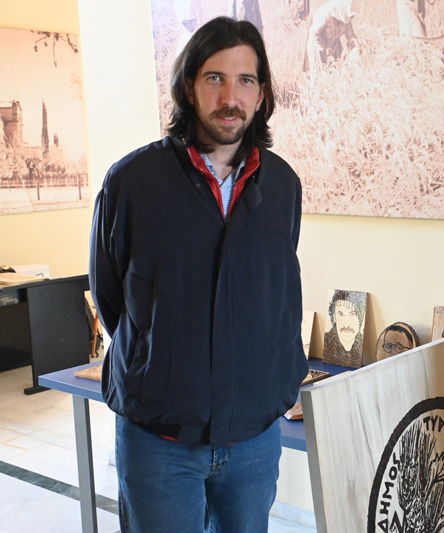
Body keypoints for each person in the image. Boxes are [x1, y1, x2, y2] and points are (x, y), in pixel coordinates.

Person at [89, 17, 308, 532]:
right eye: (215, 78)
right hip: (159, 443)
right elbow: (110, 295)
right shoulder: (132, 183)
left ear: (261, 95)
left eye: (245, 80)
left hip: (253, 440)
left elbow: (278, 293)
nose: (230, 98)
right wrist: (160, 364)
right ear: (189, 87)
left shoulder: (282, 186)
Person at [323, 289, 365, 368]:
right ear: (334, 317)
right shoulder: (327, 343)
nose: (346, 324)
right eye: (341, 314)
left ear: (360, 318)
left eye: (352, 314)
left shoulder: (362, 344)